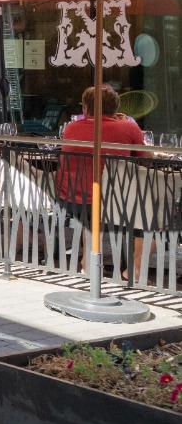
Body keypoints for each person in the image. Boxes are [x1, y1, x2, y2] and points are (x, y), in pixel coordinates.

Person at [56, 84, 149, 278]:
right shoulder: (129, 128)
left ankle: (87, 262)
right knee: (151, 213)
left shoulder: (71, 128)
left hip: (72, 200)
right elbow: (148, 158)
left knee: (92, 210)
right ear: (115, 108)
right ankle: (135, 268)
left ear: (86, 108)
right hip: (113, 204)